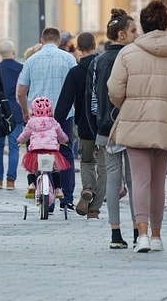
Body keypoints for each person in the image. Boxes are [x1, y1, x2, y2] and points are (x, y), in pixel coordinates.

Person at [108, 0, 167, 252]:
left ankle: (142, 234)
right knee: (158, 182)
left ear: (143, 26)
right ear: (166, 24)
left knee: (140, 180)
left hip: (136, 122)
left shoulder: (128, 53)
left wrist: (128, 102)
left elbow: (115, 90)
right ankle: (157, 236)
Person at [85, 8, 139, 248]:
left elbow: (92, 100)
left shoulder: (97, 61)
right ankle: (140, 228)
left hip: (106, 128)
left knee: (113, 181)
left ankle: (115, 233)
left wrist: (96, 128)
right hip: (132, 124)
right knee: (135, 179)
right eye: (133, 30)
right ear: (121, 34)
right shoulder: (134, 58)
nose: (137, 34)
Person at [17, 27, 76, 210]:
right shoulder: (68, 58)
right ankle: (66, 198)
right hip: (63, 115)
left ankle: (45, 198)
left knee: (39, 152)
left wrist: (26, 111)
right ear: (58, 41)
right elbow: (76, 85)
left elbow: (21, 92)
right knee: (65, 153)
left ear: (42, 40)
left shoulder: (31, 60)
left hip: (37, 117)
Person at [55, 32, 105, 219]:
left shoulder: (75, 72)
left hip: (84, 125)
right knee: (105, 166)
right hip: (104, 124)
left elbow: (64, 102)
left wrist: (55, 122)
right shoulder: (104, 67)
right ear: (94, 46)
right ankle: (94, 208)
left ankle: (88, 188)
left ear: (78, 48)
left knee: (86, 161)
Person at [17, 97, 71, 198]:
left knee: (32, 169)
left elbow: (24, 136)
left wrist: (20, 141)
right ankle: (58, 189)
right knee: (55, 169)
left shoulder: (31, 122)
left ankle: (31, 184)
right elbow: (61, 135)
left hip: (36, 151)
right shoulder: (53, 122)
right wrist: (65, 140)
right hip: (51, 151)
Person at [0, 40, 23, 190]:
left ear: (0, 53)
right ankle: (11, 181)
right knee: (14, 147)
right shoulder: (21, 68)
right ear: (13, 52)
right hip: (16, 112)